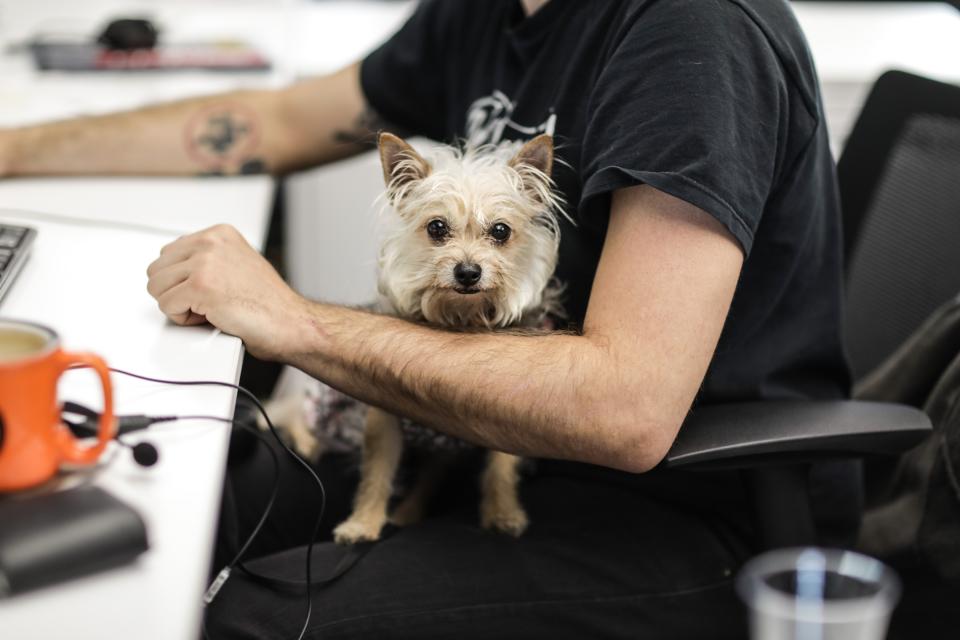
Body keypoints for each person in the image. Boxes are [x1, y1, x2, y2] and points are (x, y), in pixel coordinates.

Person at [0, 0, 855, 637]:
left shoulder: (691, 36)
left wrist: (300, 322)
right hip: (473, 435)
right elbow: (280, 119)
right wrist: (12, 147)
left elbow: (625, 409)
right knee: (176, 519)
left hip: (670, 508)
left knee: (245, 619)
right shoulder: (482, 14)